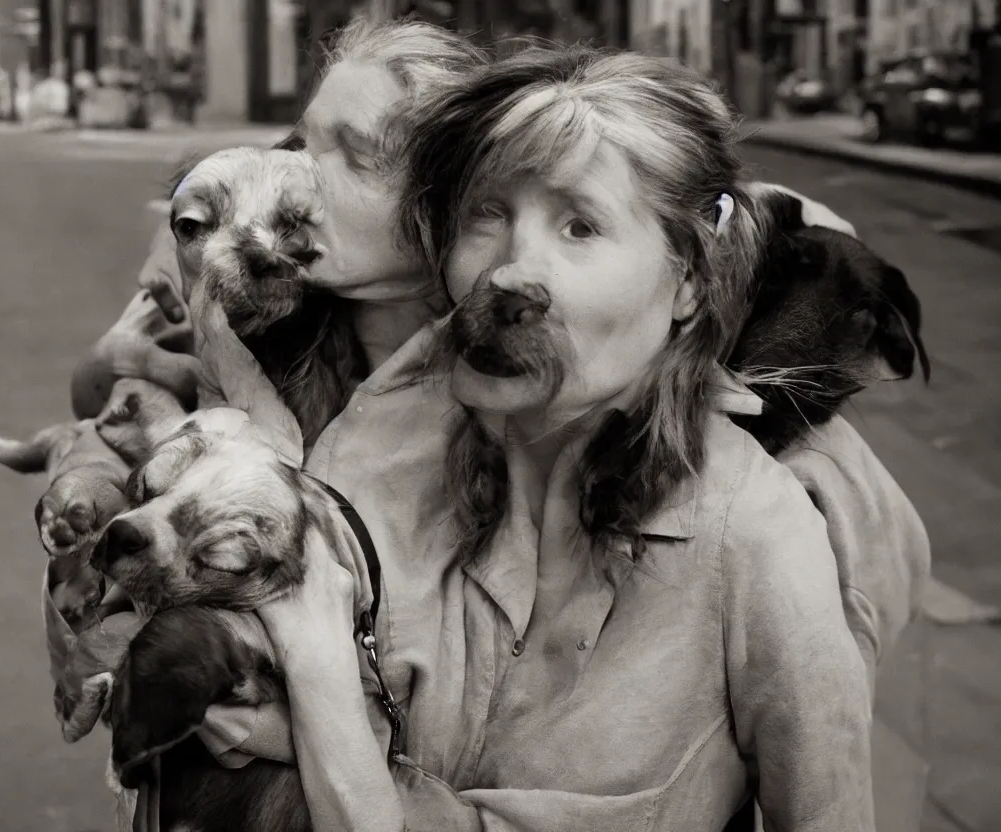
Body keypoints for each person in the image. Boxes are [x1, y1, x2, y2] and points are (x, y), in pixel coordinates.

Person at [46, 18, 928, 832]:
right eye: (488, 216)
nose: (512, 270)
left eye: (580, 227)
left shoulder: (757, 523)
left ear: (691, 282)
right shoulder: (390, 429)